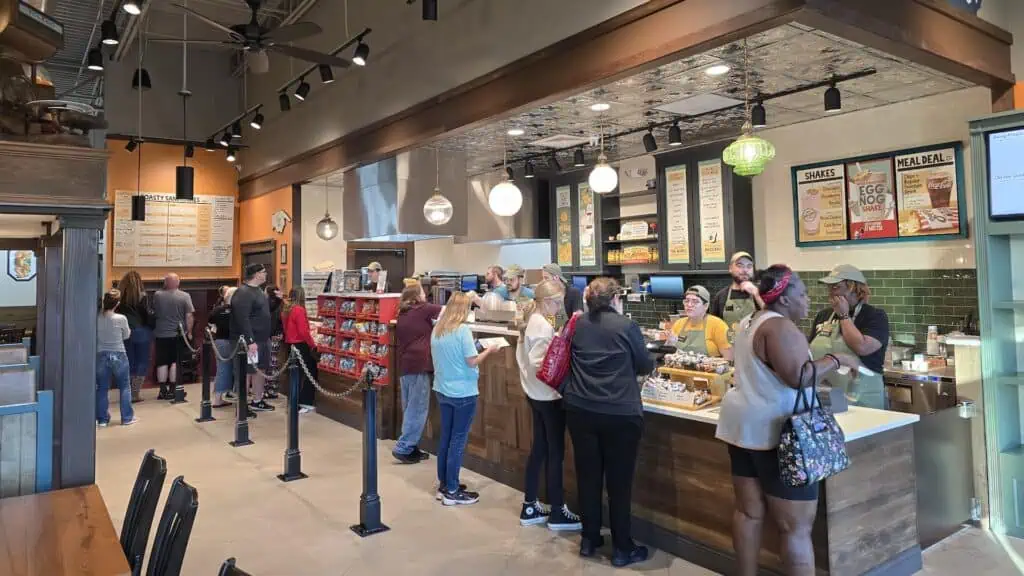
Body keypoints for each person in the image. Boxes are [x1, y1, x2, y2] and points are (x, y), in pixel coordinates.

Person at [715, 265, 859, 576]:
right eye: (803, 293)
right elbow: (799, 377)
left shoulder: (748, 322)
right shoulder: (779, 326)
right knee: (795, 528)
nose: (808, 300)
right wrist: (836, 360)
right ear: (784, 298)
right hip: (778, 435)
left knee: (748, 513)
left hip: (743, 429)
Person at [561, 277, 654, 567]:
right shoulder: (626, 326)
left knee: (588, 475)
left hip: (580, 409)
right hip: (619, 412)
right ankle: (622, 548)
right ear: (615, 299)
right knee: (619, 482)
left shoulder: (577, 325)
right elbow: (644, 365)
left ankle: (589, 539)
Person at [515, 280, 582, 531]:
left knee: (540, 449)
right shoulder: (541, 325)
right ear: (547, 301)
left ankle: (530, 504)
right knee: (556, 453)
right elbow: (539, 363)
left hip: (533, 393)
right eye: (557, 302)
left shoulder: (530, 320)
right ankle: (557, 511)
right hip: (548, 397)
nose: (559, 306)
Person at [431, 292, 499, 506]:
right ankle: (452, 490)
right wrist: (489, 350)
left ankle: (444, 484)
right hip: (463, 392)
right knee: (458, 442)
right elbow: (471, 361)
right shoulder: (462, 331)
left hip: (442, 390)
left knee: (446, 439)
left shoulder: (438, 329)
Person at [809, 264, 889, 409]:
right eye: (829, 287)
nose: (830, 293)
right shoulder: (823, 316)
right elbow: (810, 352)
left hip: (864, 401)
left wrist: (844, 316)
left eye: (835, 287)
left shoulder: (874, 316)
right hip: (827, 398)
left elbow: (862, 347)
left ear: (854, 288)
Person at [393, 280, 443, 464]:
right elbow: (448, 311)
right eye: (422, 291)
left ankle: (412, 446)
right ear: (416, 295)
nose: (425, 294)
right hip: (420, 364)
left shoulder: (403, 313)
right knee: (418, 408)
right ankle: (404, 447)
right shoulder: (423, 309)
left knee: (409, 407)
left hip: (405, 364)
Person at [231, 264, 275, 413]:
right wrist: (250, 341)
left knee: (260, 370)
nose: (266, 274)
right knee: (247, 371)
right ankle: (242, 405)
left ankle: (257, 400)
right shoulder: (243, 292)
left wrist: (277, 301)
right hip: (250, 341)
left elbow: (262, 311)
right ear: (256, 274)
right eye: (263, 272)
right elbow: (242, 318)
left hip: (262, 340)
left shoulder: (258, 291)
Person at [96, 289, 137, 427]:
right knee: (124, 386)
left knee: (102, 388)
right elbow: (126, 335)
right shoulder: (121, 318)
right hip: (119, 354)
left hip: (101, 354)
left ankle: (102, 419)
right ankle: (127, 418)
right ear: (117, 303)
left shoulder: (97, 317)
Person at [151, 273, 194, 400]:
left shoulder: (157, 295)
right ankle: (173, 389)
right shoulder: (185, 296)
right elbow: (189, 316)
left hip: (160, 333)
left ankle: (162, 390)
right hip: (178, 333)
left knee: (162, 362)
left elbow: (154, 311)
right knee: (175, 362)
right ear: (178, 282)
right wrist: (189, 332)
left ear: (165, 282)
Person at [665, 285, 733, 361]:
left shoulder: (718, 325)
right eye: (687, 301)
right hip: (678, 372)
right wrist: (670, 342)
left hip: (708, 371)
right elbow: (670, 353)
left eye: (695, 301)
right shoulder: (679, 323)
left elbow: (729, 358)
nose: (689, 305)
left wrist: (708, 363)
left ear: (706, 306)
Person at [710, 252, 763, 344]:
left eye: (749, 266)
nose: (745, 270)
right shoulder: (721, 296)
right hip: (729, 350)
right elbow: (714, 327)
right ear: (730, 268)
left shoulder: (762, 293)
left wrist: (756, 293)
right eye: (740, 265)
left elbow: (775, 318)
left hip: (756, 350)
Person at [117, 270, 153, 403]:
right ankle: (135, 393)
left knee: (128, 361)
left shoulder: (120, 296)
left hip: (125, 331)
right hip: (141, 331)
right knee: (142, 361)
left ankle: (126, 391)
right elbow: (147, 315)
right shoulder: (143, 296)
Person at [283, 286, 318, 414]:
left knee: (294, 375)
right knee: (311, 371)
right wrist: (312, 344)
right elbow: (303, 331)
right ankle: (305, 402)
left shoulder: (287, 309)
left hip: (290, 345)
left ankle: (293, 403)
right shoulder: (299, 310)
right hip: (300, 345)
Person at [209, 286, 236, 408]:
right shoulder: (238, 310)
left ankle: (218, 397)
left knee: (222, 369)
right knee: (231, 369)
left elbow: (211, 321)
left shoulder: (218, 309)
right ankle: (225, 396)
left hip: (219, 341)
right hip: (232, 342)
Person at [264, 284, 284, 400]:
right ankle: (272, 388)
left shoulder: (268, 304)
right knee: (273, 364)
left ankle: (269, 389)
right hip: (276, 336)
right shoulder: (280, 304)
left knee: (270, 364)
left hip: (271, 336)